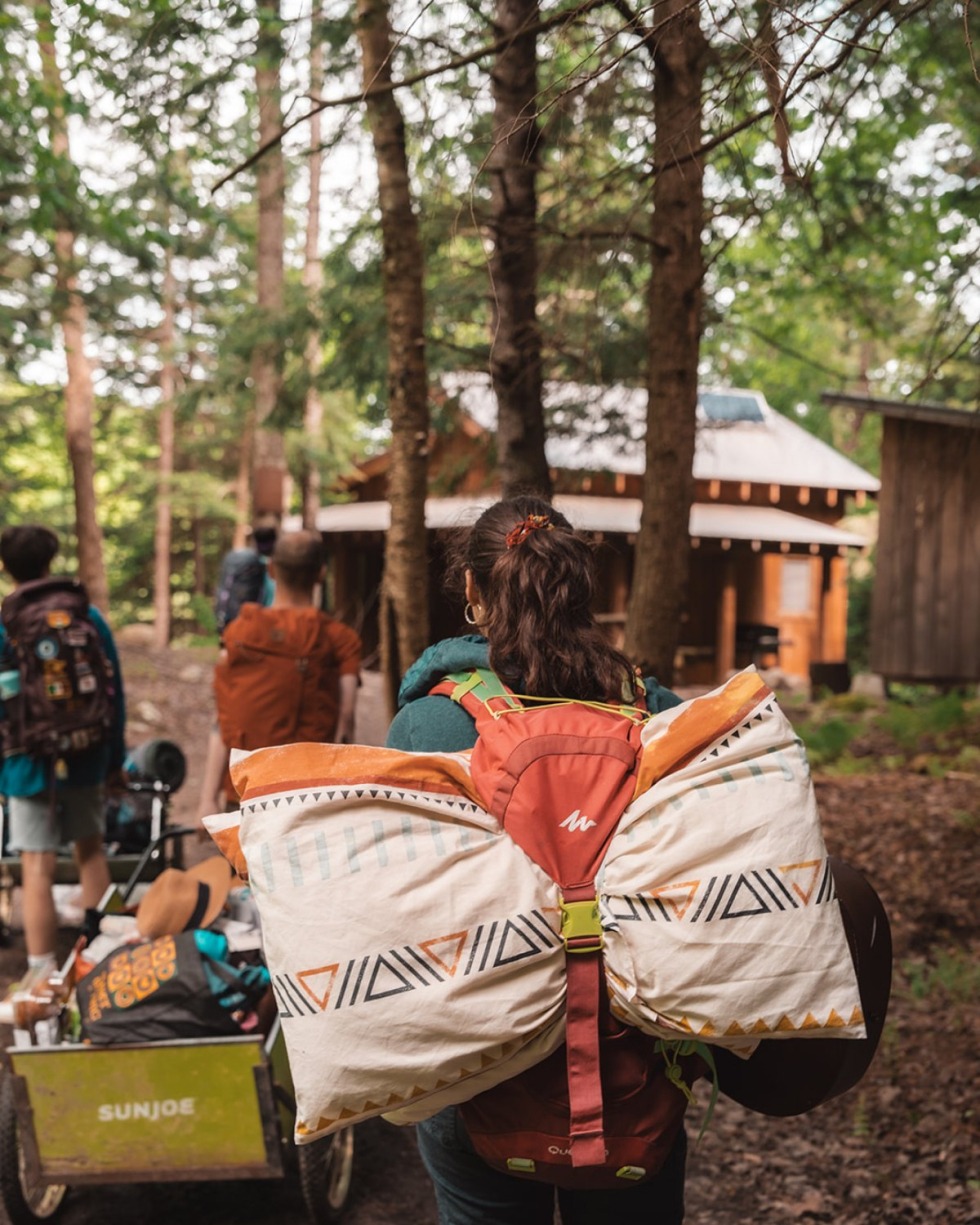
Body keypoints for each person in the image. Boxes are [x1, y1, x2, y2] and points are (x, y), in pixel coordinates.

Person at [384, 495, 688, 1225]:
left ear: (470, 590)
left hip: (475, 1074)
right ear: (580, 588)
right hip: (632, 1074)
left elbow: (394, 905)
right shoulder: (658, 711)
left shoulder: (429, 722)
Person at [0, 525, 126, 994]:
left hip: (26, 763)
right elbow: (114, 693)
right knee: (90, 852)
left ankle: (40, 974)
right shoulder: (86, 616)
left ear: (7, 567)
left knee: (37, 866)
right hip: (86, 752)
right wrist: (115, 760)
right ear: (50, 561)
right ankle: (103, 959)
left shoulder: (5, 623)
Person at [196, 528, 362, 827]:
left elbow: (223, 719)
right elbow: (346, 721)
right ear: (321, 574)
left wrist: (207, 799)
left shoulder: (239, 633)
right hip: (309, 793)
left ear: (271, 570)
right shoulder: (340, 639)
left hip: (246, 791)